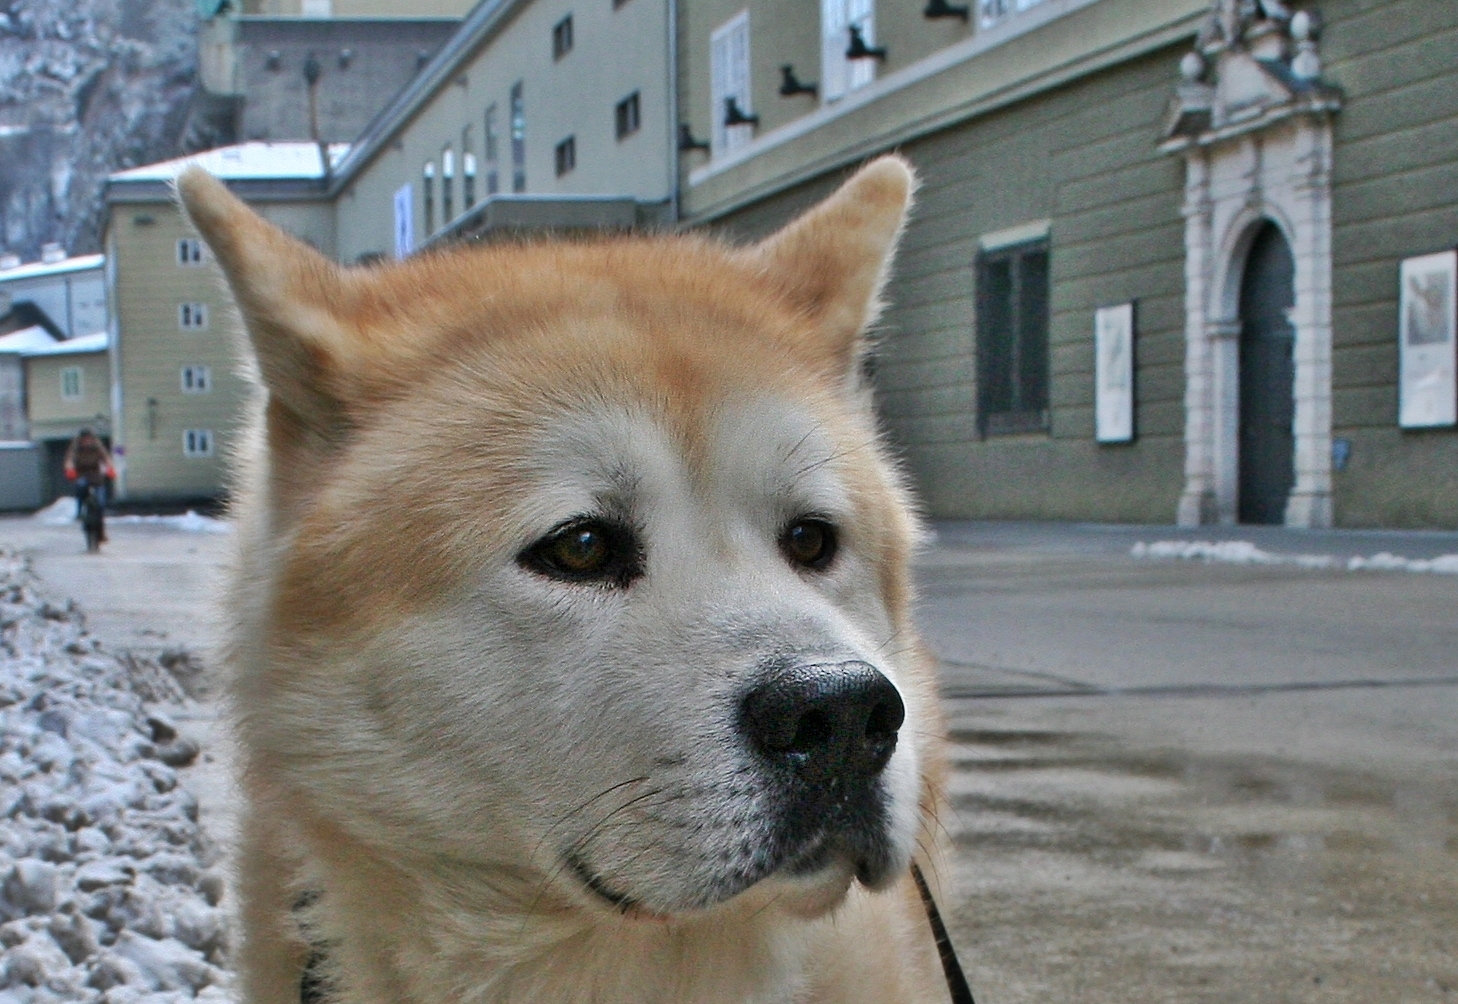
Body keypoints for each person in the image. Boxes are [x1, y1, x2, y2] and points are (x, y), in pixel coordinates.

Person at [64, 428, 115, 541]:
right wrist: (70, 470)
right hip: (82, 474)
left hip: (95, 476)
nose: (87, 442)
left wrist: (110, 469)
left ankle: (101, 533)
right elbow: (70, 460)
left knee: (100, 503)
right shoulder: (75, 449)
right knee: (80, 487)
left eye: (89, 439)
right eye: (84, 440)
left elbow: (106, 459)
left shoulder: (98, 448)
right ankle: (80, 510)